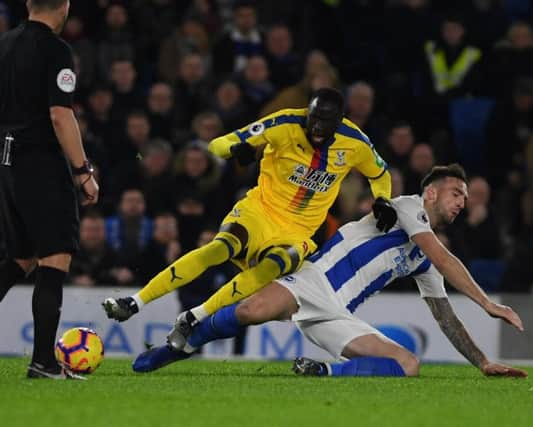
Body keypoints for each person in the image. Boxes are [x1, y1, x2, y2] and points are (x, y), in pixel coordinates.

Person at [133, 165, 527, 379]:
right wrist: (488, 303)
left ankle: (322, 371)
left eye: (466, 197)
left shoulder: (423, 260)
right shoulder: (406, 207)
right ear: (431, 193)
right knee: (252, 311)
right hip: (314, 279)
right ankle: (177, 348)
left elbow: (446, 319)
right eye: (457, 192)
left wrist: (482, 362)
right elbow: (445, 259)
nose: (463, 202)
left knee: (408, 364)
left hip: (339, 313)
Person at [103, 88, 397, 351]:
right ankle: (134, 302)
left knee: (270, 269)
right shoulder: (283, 123)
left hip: (299, 231)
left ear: (339, 122)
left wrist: (382, 199)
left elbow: (380, 174)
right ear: (307, 113)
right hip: (260, 211)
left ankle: (193, 317)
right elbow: (217, 145)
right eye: (314, 120)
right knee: (219, 249)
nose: (317, 129)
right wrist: (236, 148)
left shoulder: (355, 142)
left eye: (325, 124)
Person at [0, 0, 99, 379]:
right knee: (54, 256)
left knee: (21, 258)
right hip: (38, 163)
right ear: (65, 6)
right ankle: (43, 362)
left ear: (28, 4)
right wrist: (82, 170)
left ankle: (44, 360)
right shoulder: (56, 50)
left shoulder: (5, 44)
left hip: (6, 162)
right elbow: (60, 114)